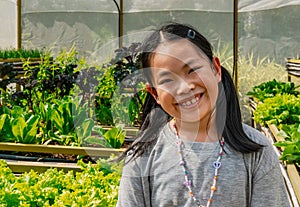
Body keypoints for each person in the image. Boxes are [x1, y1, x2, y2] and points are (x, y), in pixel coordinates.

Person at [116, 22, 291, 207]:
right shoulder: (143, 155)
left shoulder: (257, 150)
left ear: (216, 69)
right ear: (154, 94)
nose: (184, 88)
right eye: (167, 80)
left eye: (192, 70)